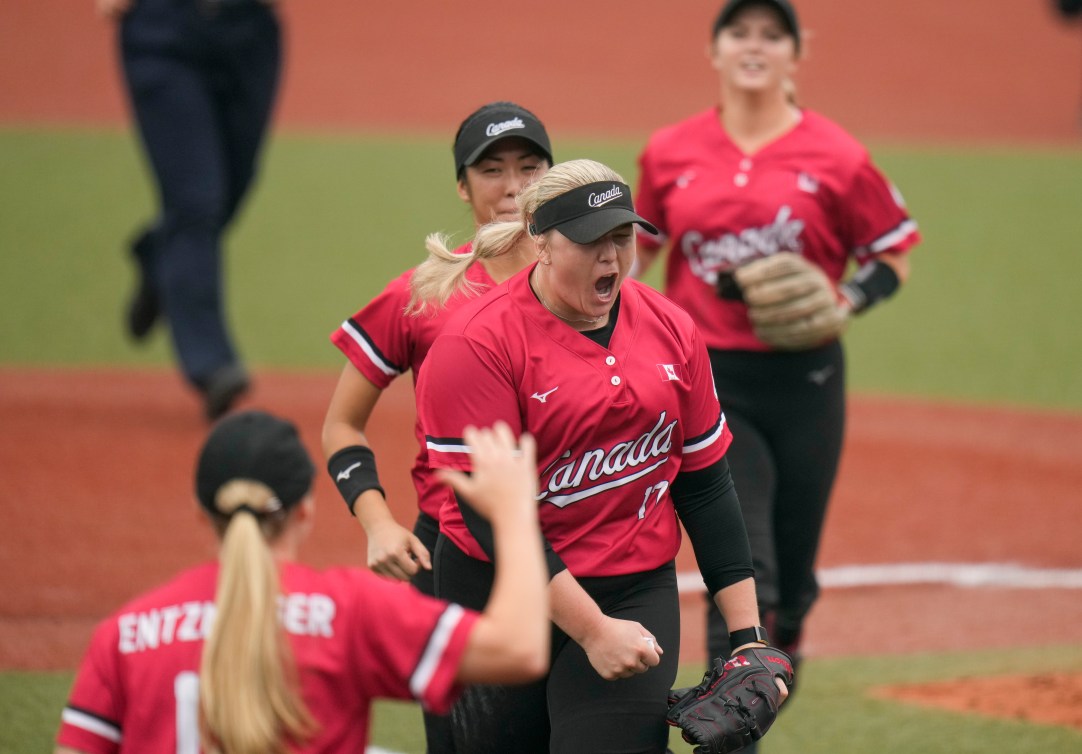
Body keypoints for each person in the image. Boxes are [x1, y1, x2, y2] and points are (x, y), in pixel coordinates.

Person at [414, 158, 789, 754]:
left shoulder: (671, 329)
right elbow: (491, 515)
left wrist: (748, 636)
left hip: (630, 589)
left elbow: (705, 484)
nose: (611, 257)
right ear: (541, 241)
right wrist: (591, 632)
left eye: (622, 237)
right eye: (591, 241)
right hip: (499, 592)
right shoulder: (476, 344)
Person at [633, 0, 921, 722]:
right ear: (715, 49)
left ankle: (775, 658)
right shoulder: (669, 151)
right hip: (708, 379)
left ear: (797, 54)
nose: (754, 45)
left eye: (772, 34)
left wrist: (845, 301)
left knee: (792, 580)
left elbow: (892, 250)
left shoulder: (838, 156)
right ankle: (729, 721)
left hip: (807, 382)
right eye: (740, 33)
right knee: (745, 562)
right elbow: (636, 253)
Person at [55, 410, 549, 754]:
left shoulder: (123, 634)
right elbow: (520, 649)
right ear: (305, 511)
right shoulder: (350, 612)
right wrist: (512, 515)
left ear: (203, 515)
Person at [321, 99, 553, 752]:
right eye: (492, 171)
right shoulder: (426, 291)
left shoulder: (584, 278)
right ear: (461, 185)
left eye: (530, 167)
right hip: (456, 547)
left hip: (572, 534)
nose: (512, 188)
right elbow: (342, 425)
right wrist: (378, 522)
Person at [97, 0, 282, 420]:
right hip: (163, 29)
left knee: (231, 189)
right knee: (196, 201)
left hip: (248, 28)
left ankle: (158, 256)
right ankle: (211, 363)